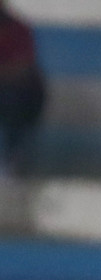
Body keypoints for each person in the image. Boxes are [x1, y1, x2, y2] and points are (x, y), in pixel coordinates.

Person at [0, 0, 45, 174]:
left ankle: (13, 161)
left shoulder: (18, 29)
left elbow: (22, 69)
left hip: (17, 97)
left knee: (13, 100)